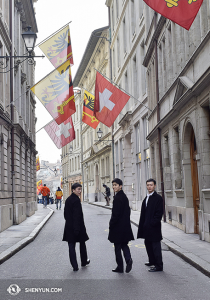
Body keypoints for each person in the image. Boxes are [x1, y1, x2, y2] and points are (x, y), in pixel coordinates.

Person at [137, 178, 164, 272]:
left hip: (154, 227)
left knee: (156, 246)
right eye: (148, 185)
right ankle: (152, 261)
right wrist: (143, 226)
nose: (149, 186)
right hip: (147, 227)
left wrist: (152, 223)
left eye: (151, 185)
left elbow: (159, 213)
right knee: (148, 244)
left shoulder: (158, 198)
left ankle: (159, 265)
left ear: (155, 186)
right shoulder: (146, 198)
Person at [108, 178, 134, 273]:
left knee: (117, 247)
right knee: (124, 245)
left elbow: (115, 214)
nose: (114, 187)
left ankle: (120, 267)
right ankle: (128, 259)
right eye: (113, 185)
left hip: (118, 227)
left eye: (116, 185)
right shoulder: (124, 197)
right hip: (125, 226)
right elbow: (128, 211)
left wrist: (111, 224)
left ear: (120, 186)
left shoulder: (118, 198)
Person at [63, 183, 90, 271]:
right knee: (82, 243)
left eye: (80, 189)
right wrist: (77, 228)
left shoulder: (68, 200)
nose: (80, 191)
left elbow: (65, 215)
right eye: (78, 189)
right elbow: (77, 215)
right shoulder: (76, 200)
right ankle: (84, 261)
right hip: (78, 226)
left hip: (69, 226)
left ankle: (75, 266)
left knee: (71, 245)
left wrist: (70, 223)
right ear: (73, 190)